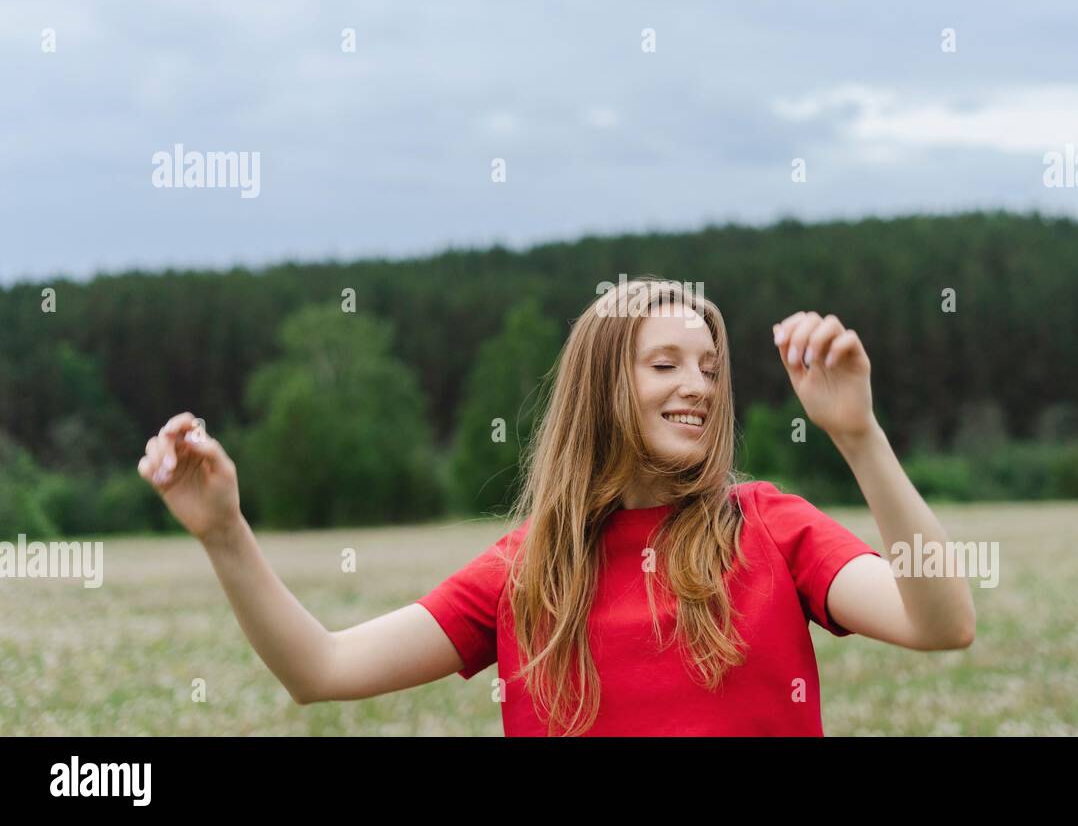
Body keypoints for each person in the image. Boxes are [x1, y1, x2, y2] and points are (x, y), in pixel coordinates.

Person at [138, 277, 975, 736]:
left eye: (712, 369)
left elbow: (941, 621)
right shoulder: (525, 571)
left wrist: (859, 436)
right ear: (603, 385)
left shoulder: (773, 527)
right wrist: (224, 533)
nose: (698, 387)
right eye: (666, 365)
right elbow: (320, 671)